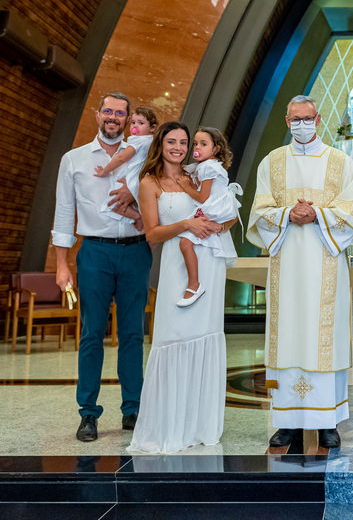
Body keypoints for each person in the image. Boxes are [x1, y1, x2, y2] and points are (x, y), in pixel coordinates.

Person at [246, 95, 353, 448]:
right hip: (286, 265)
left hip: (326, 262)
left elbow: (352, 209)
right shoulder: (272, 162)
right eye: (295, 119)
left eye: (308, 118)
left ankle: (327, 421)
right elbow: (259, 209)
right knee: (287, 335)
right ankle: (287, 421)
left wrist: (318, 214)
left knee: (325, 338)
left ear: (319, 119)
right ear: (287, 121)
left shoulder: (340, 162)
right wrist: (288, 213)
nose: (302, 124)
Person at [52, 92, 150, 442]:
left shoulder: (142, 154)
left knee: (133, 334)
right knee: (92, 333)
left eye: (120, 113)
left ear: (128, 120)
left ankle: (133, 409)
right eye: (107, 111)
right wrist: (61, 264)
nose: (113, 117)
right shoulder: (74, 159)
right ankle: (88, 414)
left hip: (136, 251)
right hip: (94, 252)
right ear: (97, 115)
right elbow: (64, 211)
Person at [129, 122, 229, 454]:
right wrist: (186, 224)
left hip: (209, 263)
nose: (178, 147)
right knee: (173, 337)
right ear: (160, 144)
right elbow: (152, 233)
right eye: (171, 141)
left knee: (205, 334)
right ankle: (168, 426)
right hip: (177, 265)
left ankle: (199, 425)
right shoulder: (149, 182)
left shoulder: (197, 175)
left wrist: (214, 226)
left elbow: (227, 212)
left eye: (184, 142)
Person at [173, 126, 241, 306]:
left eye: (203, 144)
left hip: (214, 210)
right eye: (195, 144)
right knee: (188, 242)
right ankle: (194, 283)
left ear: (216, 148)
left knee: (185, 242)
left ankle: (194, 284)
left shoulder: (208, 167)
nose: (197, 148)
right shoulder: (206, 166)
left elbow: (203, 197)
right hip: (215, 209)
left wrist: (185, 186)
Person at [96, 107, 158, 228]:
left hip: (131, 178)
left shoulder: (140, 141)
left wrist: (105, 171)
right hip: (140, 179)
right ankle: (137, 218)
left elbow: (121, 158)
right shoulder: (151, 142)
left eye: (141, 123)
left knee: (112, 203)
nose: (135, 126)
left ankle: (138, 217)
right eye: (133, 123)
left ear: (152, 128)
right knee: (123, 203)